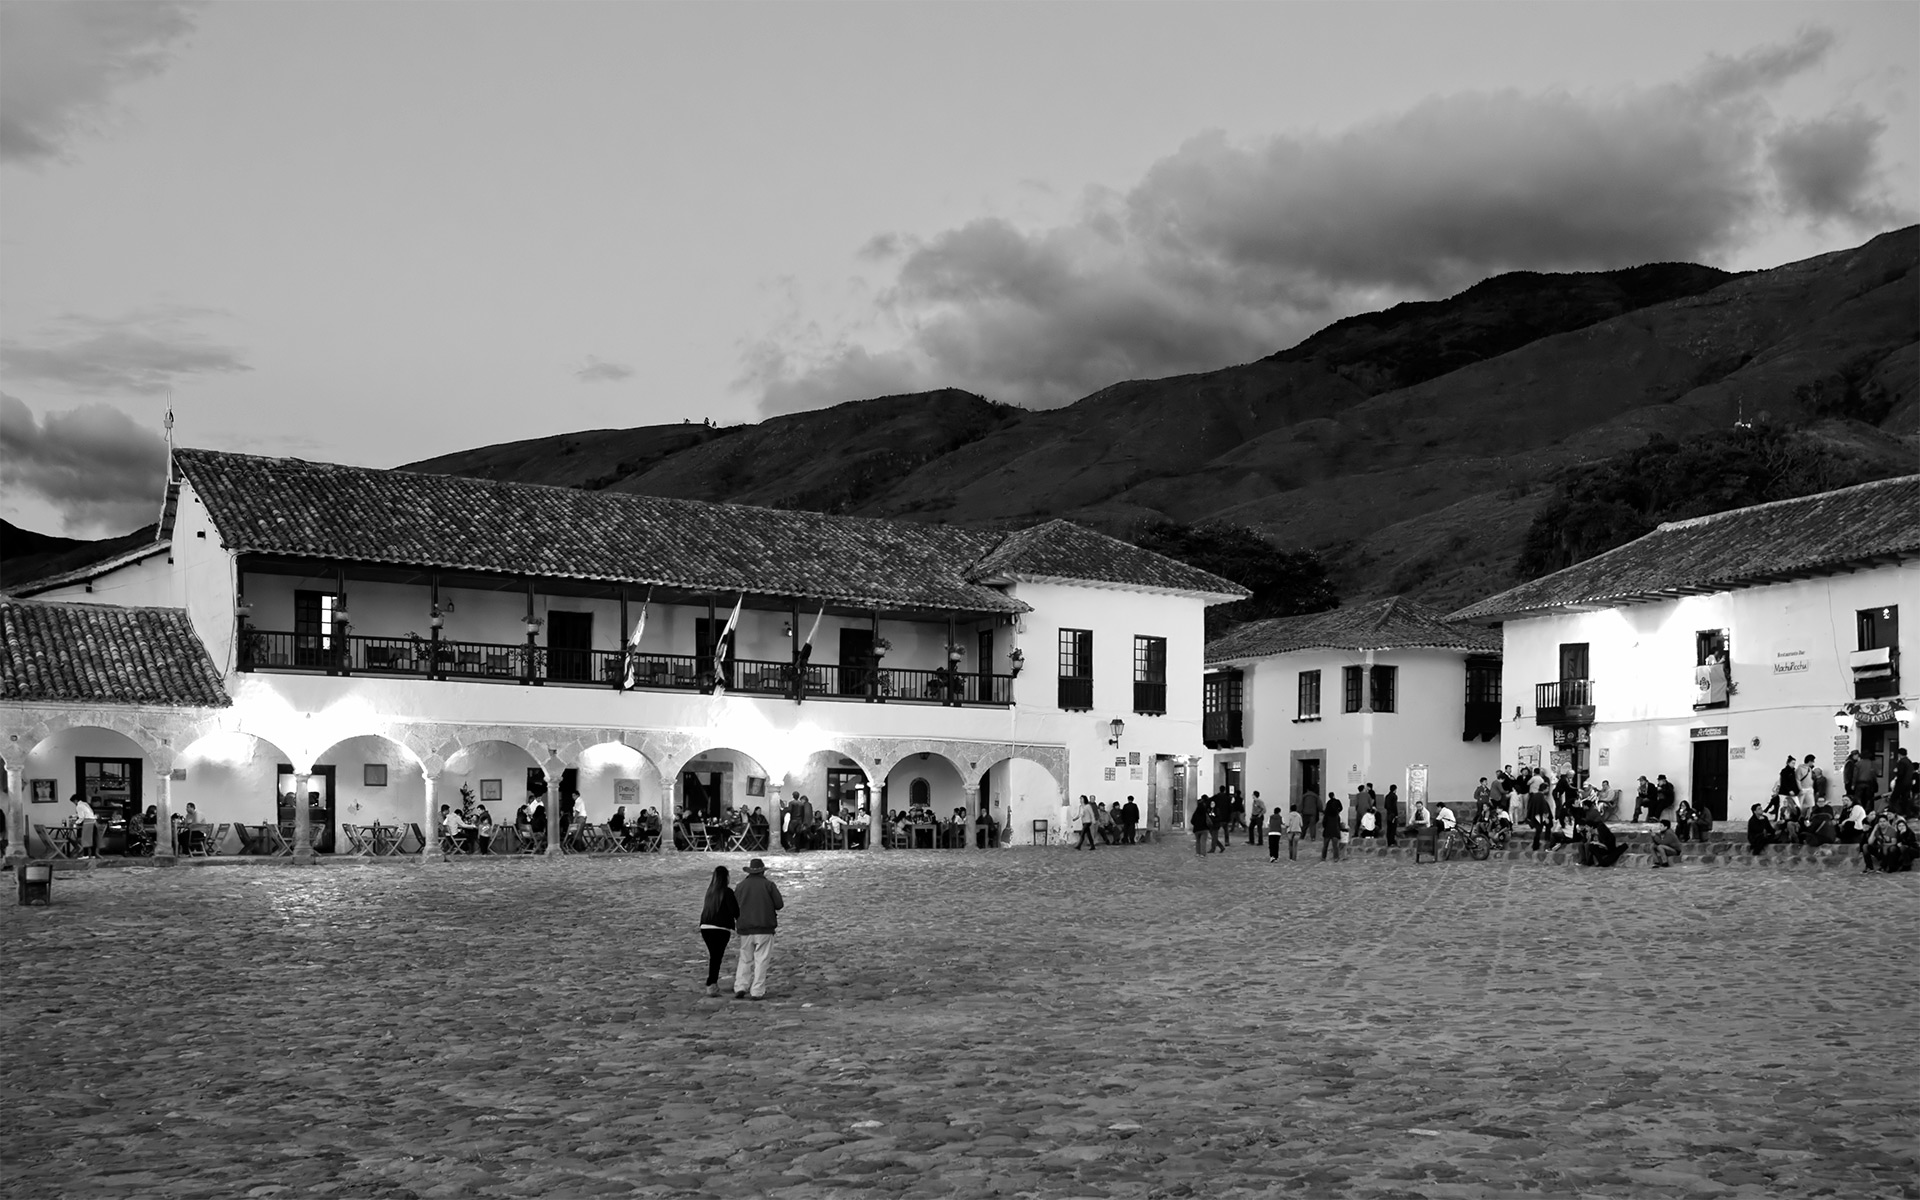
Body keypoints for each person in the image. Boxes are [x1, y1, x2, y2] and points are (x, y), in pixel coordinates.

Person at [732, 858, 784, 1000]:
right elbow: (779, 904)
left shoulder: (740, 886)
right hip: (764, 927)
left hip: (745, 928)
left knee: (745, 959)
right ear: (762, 871)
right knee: (761, 960)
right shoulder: (768, 885)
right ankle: (757, 990)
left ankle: (741, 986)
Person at [697, 866, 739, 997]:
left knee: (714, 956)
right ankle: (711, 983)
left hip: (706, 927)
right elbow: (735, 911)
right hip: (721, 928)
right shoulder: (727, 892)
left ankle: (712, 983)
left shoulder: (710, 892)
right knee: (716, 957)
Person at [1527, 781, 1553, 851]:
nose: (1548, 790)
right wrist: (1546, 817)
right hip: (1540, 816)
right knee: (1544, 828)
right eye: (1547, 788)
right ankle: (1547, 841)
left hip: (1535, 815)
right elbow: (1544, 807)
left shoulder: (1534, 796)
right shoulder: (1541, 797)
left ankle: (1535, 846)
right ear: (1544, 789)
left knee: (1538, 831)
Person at [1321, 793, 1344, 862]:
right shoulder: (1337, 816)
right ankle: (1336, 858)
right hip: (1335, 831)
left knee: (1325, 845)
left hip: (1327, 831)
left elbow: (1324, 823)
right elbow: (1338, 823)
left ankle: (1323, 857)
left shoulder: (1327, 815)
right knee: (1335, 846)